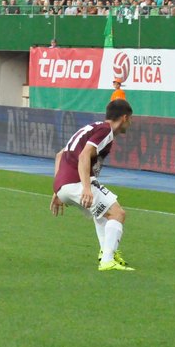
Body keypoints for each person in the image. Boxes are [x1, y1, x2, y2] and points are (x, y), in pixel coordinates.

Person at [50, 99, 135, 272]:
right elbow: (84, 156)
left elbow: (60, 155)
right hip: (76, 181)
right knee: (117, 213)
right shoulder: (105, 131)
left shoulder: (93, 127)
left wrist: (57, 190)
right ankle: (107, 260)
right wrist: (87, 188)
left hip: (63, 184)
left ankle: (107, 253)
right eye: (131, 119)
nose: (131, 123)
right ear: (125, 118)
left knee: (102, 213)